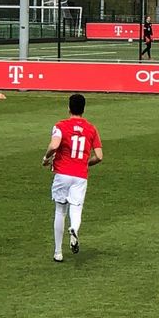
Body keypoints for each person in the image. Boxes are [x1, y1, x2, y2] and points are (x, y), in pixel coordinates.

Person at [42, 94, 103, 262]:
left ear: (69, 108)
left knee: (60, 211)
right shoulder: (91, 129)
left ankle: (58, 252)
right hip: (80, 175)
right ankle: (74, 228)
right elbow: (99, 156)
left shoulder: (61, 125)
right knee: (76, 208)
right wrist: (85, 163)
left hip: (62, 173)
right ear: (83, 109)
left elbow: (54, 145)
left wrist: (46, 158)